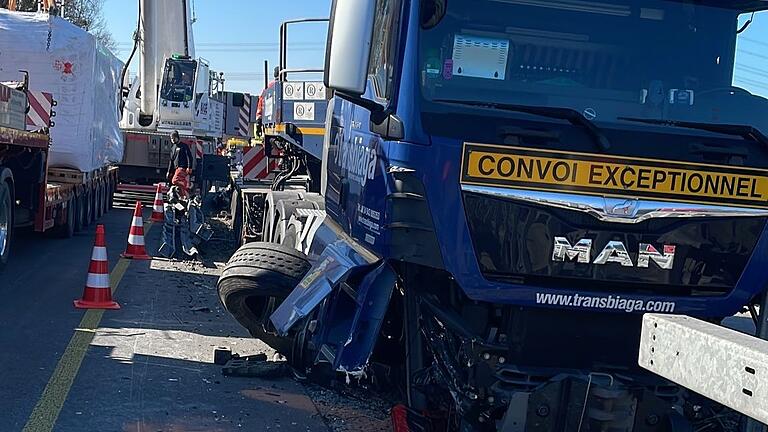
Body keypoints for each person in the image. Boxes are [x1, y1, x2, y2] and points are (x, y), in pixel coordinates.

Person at [166, 130, 193, 196]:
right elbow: (171, 160)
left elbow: (189, 157)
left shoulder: (184, 146)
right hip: (176, 168)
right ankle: (183, 196)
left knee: (174, 181)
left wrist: (189, 167)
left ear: (177, 137)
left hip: (182, 167)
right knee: (178, 185)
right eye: (171, 139)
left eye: (173, 138)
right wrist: (169, 171)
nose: (172, 140)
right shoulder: (173, 148)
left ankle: (187, 184)